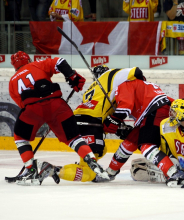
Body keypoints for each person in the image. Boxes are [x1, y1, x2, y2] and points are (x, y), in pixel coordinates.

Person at [9, 51, 109, 185]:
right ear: (28, 59)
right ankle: (91, 160)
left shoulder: (12, 82)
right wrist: (71, 76)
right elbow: (60, 61)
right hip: (57, 105)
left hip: (33, 109)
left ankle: (30, 169)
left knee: (20, 138)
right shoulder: (38, 64)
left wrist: (44, 117)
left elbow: (24, 105)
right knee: (74, 138)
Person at [52, 65, 143, 183]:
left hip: (77, 120)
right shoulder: (111, 75)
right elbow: (136, 71)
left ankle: (82, 165)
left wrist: (118, 129)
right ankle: (52, 170)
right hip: (90, 123)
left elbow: (104, 118)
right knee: (89, 173)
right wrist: (142, 84)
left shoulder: (91, 89)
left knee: (102, 149)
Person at [104, 78, 184, 183]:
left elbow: (125, 107)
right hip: (156, 112)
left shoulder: (125, 84)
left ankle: (174, 173)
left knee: (147, 145)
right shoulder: (143, 85)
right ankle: (110, 172)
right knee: (130, 141)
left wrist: (115, 120)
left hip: (155, 112)